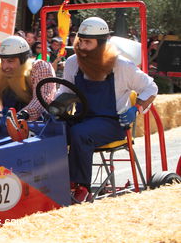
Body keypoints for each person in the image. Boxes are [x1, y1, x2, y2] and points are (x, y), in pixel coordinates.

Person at [57, 17, 158, 203]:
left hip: (113, 123)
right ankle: (53, 183)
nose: (82, 46)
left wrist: (136, 108)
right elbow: (66, 91)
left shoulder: (121, 66)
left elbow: (151, 88)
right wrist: (54, 108)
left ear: (102, 44)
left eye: (88, 42)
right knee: (53, 130)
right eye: (80, 40)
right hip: (83, 118)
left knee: (79, 133)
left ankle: (81, 188)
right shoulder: (73, 63)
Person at [0, 36, 56, 133]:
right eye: (2, 60)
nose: (5, 66)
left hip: (37, 127)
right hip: (6, 124)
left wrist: (23, 115)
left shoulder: (40, 68)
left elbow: (43, 99)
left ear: (23, 60)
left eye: (10, 61)